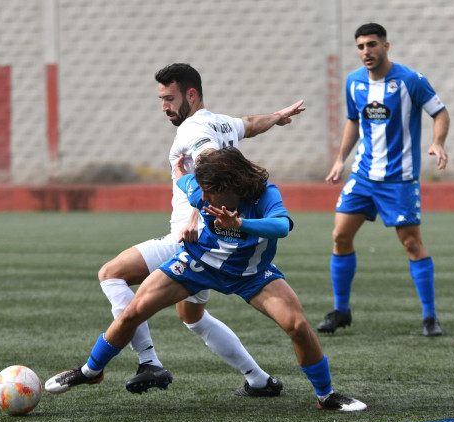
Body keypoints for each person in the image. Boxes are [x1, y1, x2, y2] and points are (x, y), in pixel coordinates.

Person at [46, 147, 367, 412]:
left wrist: (240, 223)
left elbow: (282, 227)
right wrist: (184, 184)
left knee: (297, 326)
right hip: (199, 262)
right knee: (133, 311)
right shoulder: (201, 190)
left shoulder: (265, 195)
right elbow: (181, 177)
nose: (208, 200)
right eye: (205, 195)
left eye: (215, 194)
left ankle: (326, 396)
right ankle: (91, 371)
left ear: (235, 184)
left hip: (251, 273)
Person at [96, 63, 305, 395]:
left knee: (111, 273)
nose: (164, 106)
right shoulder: (221, 122)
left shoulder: (192, 131)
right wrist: (277, 116)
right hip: (217, 240)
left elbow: (209, 165)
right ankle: (259, 380)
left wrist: (196, 216)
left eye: (169, 98)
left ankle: (147, 361)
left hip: (191, 240)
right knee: (192, 316)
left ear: (190, 94)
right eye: (162, 99)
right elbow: (250, 124)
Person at [318, 23, 450, 336]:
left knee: (412, 244)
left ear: (386, 46)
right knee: (340, 237)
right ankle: (341, 310)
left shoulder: (410, 81)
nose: (366, 52)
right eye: (361, 46)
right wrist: (340, 160)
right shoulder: (353, 82)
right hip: (363, 176)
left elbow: (440, 113)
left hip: (399, 180)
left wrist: (438, 142)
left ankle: (430, 317)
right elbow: (354, 120)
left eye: (372, 45)